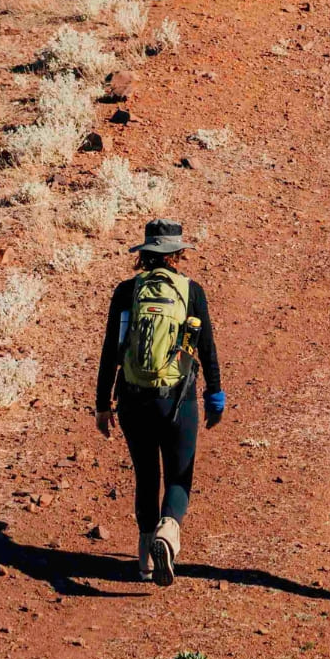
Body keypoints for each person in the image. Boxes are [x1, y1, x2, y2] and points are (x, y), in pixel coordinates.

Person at [94, 220, 225, 586]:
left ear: (145, 254)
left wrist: (102, 404)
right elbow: (207, 350)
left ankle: (145, 558)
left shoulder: (126, 292)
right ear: (177, 253)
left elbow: (111, 351)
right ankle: (169, 531)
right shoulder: (191, 291)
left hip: (134, 401)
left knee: (146, 474)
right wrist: (214, 397)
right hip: (177, 401)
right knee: (179, 476)